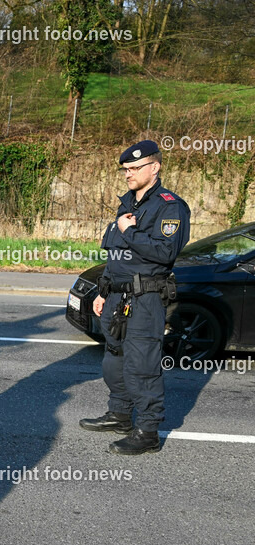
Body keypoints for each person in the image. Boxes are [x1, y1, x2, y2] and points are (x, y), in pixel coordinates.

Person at [80, 140, 190, 455]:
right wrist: (103, 290)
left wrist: (130, 232)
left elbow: (165, 250)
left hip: (146, 297)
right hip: (117, 297)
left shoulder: (170, 206)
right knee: (114, 359)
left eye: (134, 168)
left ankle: (148, 431)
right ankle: (119, 415)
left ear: (154, 168)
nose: (128, 174)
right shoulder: (128, 203)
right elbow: (116, 256)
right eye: (126, 169)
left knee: (142, 365)